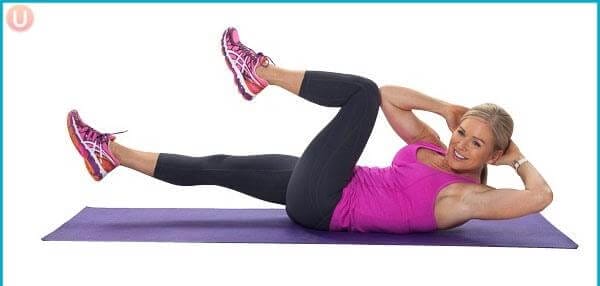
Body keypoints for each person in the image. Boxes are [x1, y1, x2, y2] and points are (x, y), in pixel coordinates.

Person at [66, 28, 553, 235]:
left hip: (327, 204)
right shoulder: (431, 144)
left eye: (476, 144)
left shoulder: (465, 197)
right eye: (462, 132)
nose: (461, 144)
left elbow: (540, 198)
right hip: (324, 185)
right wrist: (446, 106)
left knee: (356, 93)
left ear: (493, 155)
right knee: (221, 166)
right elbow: (392, 96)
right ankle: (111, 154)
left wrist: (519, 159)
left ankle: (261, 74)